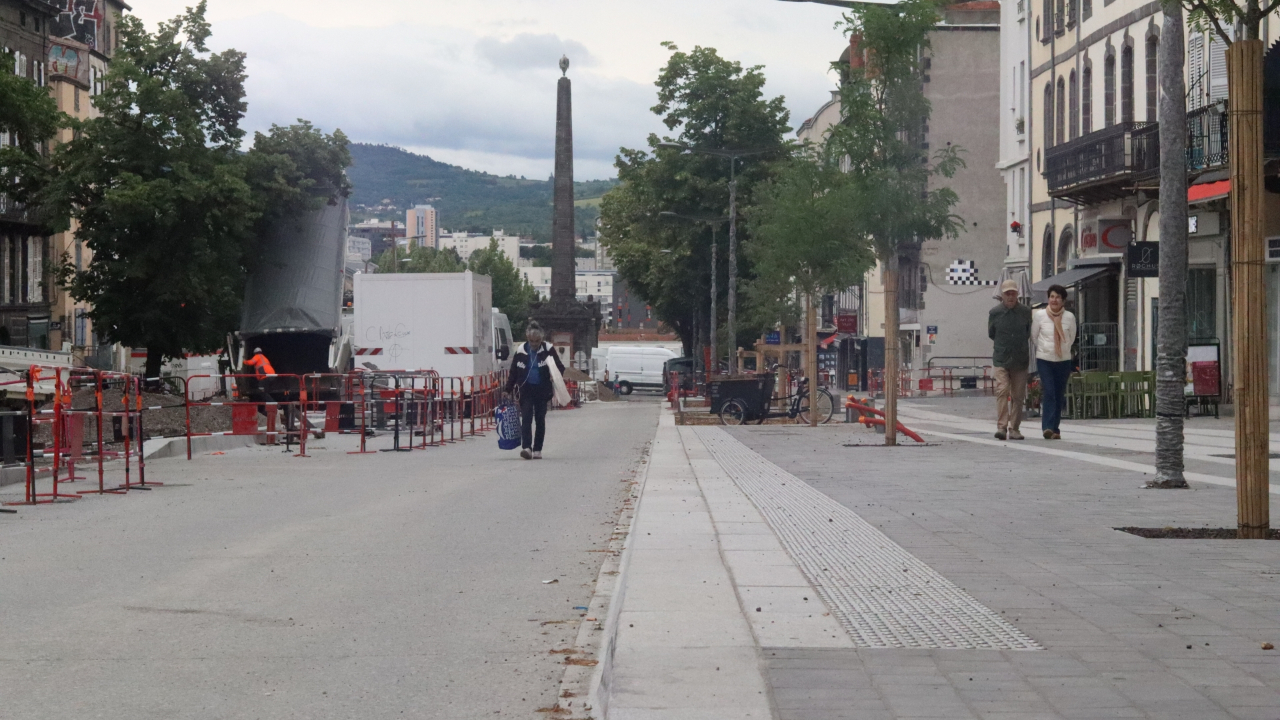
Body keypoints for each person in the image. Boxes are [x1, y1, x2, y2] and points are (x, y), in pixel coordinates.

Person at [504, 321, 565, 460]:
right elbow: (513, 372)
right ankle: (527, 448)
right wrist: (507, 389)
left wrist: (553, 375)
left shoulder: (548, 349)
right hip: (526, 390)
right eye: (532, 341)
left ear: (541, 339)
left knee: (540, 419)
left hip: (542, 390)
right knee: (526, 418)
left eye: (537, 341)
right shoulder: (520, 351)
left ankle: (538, 449)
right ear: (527, 338)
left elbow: (560, 367)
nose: (534, 344)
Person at [988, 279, 1032, 440]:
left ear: (1017, 294)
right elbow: (991, 333)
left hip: (1020, 358)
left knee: (1018, 395)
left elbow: (1027, 332)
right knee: (1002, 390)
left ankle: (1015, 428)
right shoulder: (995, 313)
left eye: (1013, 293)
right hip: (1001, 357)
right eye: (1008, 294)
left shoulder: (1026, 312)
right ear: (1002, 295)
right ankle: (1001, 426)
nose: (1011, 297)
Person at [1031, 284, 1077, 440]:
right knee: (1049, 391)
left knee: (1059, 393)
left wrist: (1062, 349)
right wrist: (1045, 348)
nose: (1054, 300)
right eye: (1051, 296)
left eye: (1058, 297)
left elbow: (1071, 338)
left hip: (1063, 360)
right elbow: (1034, 336)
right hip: (1045, 359)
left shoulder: (1069, 317)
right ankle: (1047, 427)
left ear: (1063, 300)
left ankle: (1055, 429)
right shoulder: (1039, 315)